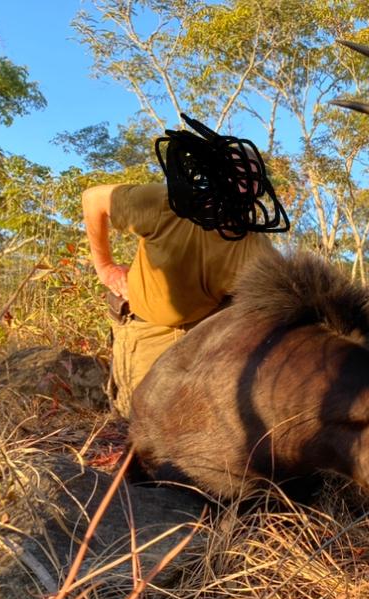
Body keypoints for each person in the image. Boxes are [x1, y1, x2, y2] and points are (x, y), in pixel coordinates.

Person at [82, 115, 289, 418]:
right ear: (214, 174)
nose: (243, 185)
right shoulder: (165, 204)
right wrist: (104, 266)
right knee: (141, 420)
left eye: (252, 178)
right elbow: (94, 200)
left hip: (206, 340)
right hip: (147, 331)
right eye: (235, 175)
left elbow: (283, 299)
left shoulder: (255, 244)